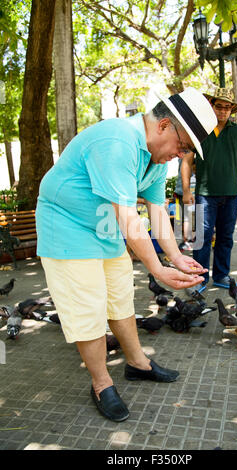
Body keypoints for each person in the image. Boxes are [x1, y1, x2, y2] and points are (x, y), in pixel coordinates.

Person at [35, 87, 217, 423]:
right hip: (67, 225)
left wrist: (175, 258)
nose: (181, 154)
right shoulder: (118, 140)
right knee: (87, 305)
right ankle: (101, 383)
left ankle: (138, 364)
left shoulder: (155, 156)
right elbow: (129, 218)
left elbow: (157, 211)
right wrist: (157, 269)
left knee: (120, 297)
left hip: (101, 225)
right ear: (164, 126)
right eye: (184, 146)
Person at [181, 87, 237, 293]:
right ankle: (200, 278)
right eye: (219, 106)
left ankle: (222, 276)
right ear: (211, 106)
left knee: (225, 237)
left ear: (232, 110)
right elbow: (186, 161)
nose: (223, 111)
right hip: (204, 195)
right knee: (201, 238)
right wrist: (186, 190)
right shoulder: (199, 130)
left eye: (227, 108)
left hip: (231, 195)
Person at [173, 157, 196, 251]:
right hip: (185, 192)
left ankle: (187, 240)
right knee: (186, 218)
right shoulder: (188, 154)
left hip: (183, 191)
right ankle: (187, 240)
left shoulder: (183, 154)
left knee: (186, 218)